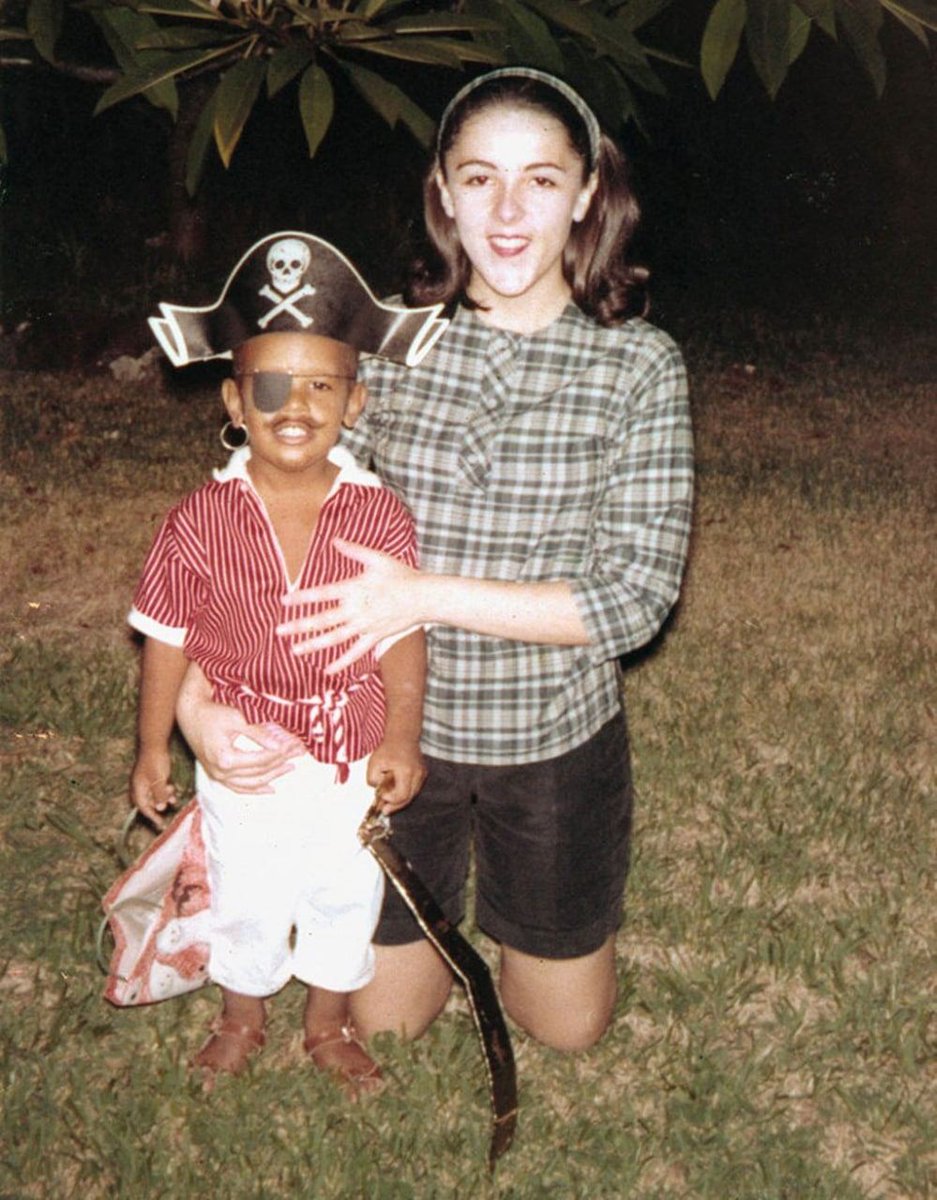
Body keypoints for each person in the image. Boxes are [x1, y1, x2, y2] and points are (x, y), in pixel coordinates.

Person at [177, 69, 694, 1053]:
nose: (508, 211)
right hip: (384, 736)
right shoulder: (384, 349)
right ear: (443, 193)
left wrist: (419, 595)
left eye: (541, 181)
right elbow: (254, 531)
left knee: (565, 1031)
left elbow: (632, 602)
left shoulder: (638, 366)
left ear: (586, 194)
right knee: (387, 1022)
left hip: (550, 739)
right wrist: (200, 701)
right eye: (480, 178)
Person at [117, 232, 448, 1089]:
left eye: (320, 385)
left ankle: (327, 1023)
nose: (293, 404)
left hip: (349, 751)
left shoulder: (379, 514)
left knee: (345, 888)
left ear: (355, 403)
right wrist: (154, 747)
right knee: (250, 889)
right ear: (235, 400)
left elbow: (401, 635)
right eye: (268, 385)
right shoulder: (198, 520)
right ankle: (241, 1015)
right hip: (246, 753)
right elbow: (166, 636)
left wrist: (401, 737)